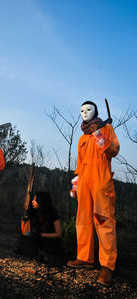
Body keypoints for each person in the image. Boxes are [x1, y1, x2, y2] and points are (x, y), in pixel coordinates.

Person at [67, 101, 120, 287]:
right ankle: (84, 258)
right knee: (83, 220)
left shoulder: (106, 129)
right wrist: (76, 183)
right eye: (81, 110)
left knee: (103, 220)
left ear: (95, 111)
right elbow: (80, 164)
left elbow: (114, 151)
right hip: (85, 182)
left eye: (88, 109)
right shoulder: (82, 138)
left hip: (101, 181)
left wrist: (101, 138)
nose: (84, 113)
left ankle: (107, 266)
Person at [17, 191, 63, 265]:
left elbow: (58, 234)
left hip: (49, 241)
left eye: (35, 200)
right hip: (38, 240)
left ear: (41, 202)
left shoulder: (52, 214)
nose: (32, 202)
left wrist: (41, 235)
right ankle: (40, 255)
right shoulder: (33, 212)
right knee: (23, 241)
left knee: (52, 249)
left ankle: (45, 256)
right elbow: (25, 231)